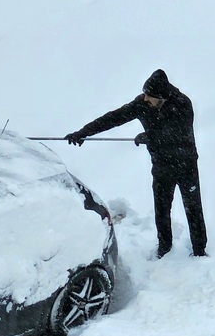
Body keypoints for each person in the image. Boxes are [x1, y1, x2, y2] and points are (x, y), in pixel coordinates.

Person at [65, 69, 207, 258]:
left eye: (150, 96)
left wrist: (150, 137)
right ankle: (164, 248)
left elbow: (179, 134)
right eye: (145, 94)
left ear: (162, 97)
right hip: (162, 166)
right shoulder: (143, 104)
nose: (146, 98)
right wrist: (83, 133)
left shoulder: (182, 104)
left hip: (186, 165)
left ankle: (199, 250)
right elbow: (113, 118)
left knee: (193, 208)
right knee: (162, 210)